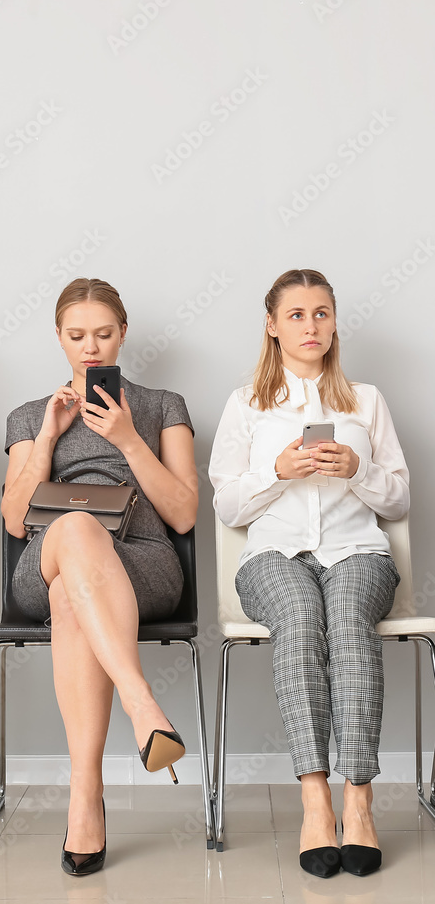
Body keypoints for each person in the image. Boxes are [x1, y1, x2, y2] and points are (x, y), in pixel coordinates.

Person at [209, 268, 408, 878]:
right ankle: (315, 796)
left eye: (321, 313)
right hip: (271, 557)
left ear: (334, 321)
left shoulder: (365, 400)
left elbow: (398, 500)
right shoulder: (246, 403)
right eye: (296, 315)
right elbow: (225, 504)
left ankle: (359, 798)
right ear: (272, 327)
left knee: (346, 620)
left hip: (358, 553)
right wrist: (278, 471)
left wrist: (355, 468)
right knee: (300, 620)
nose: (310, 325)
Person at [2, 278, 198, 875]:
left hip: (140, 560)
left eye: (104, 333)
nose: (92, 347)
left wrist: (128, 439)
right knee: (77, 530)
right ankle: (143, 707)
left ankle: (85, 797)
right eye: (77, 335)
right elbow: (14, 522)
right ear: (58, 337)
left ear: (124, 334)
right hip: (45, 555)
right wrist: (47, 439)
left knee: (72, 591)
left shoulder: (163, 405)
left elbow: (184, 512)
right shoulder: (29, 415)